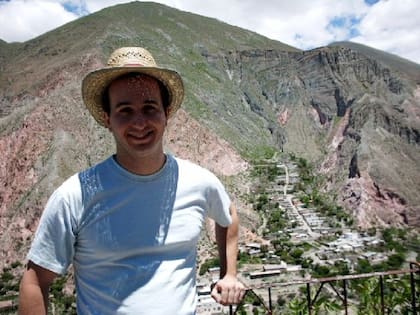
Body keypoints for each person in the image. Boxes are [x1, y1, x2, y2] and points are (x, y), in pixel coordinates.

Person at [18, 47, 246, 314]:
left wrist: (229, 273)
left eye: (149, 108)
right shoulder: (75, 195)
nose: (139, 122)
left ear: (167, 113)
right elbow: (35, 281)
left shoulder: (199, 181)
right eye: (125, 111)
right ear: (107, 119)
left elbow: (228, 214)